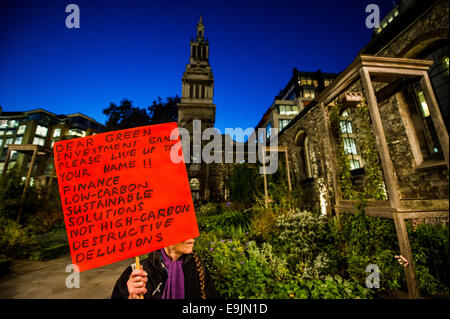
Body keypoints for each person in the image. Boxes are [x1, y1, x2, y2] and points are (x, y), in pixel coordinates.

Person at [111, 239, 216, 299]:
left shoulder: (198, 269)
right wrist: (131, 298)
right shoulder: (136, 273)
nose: (193, 236)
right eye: (185, 229)